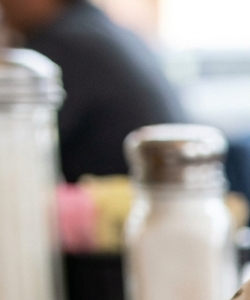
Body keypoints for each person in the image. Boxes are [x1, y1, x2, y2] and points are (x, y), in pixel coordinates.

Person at [0, 0, 184, 182]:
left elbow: (14, 148)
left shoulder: (58, 47)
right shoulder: (103, 28)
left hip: (127, 200)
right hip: (169, 189)